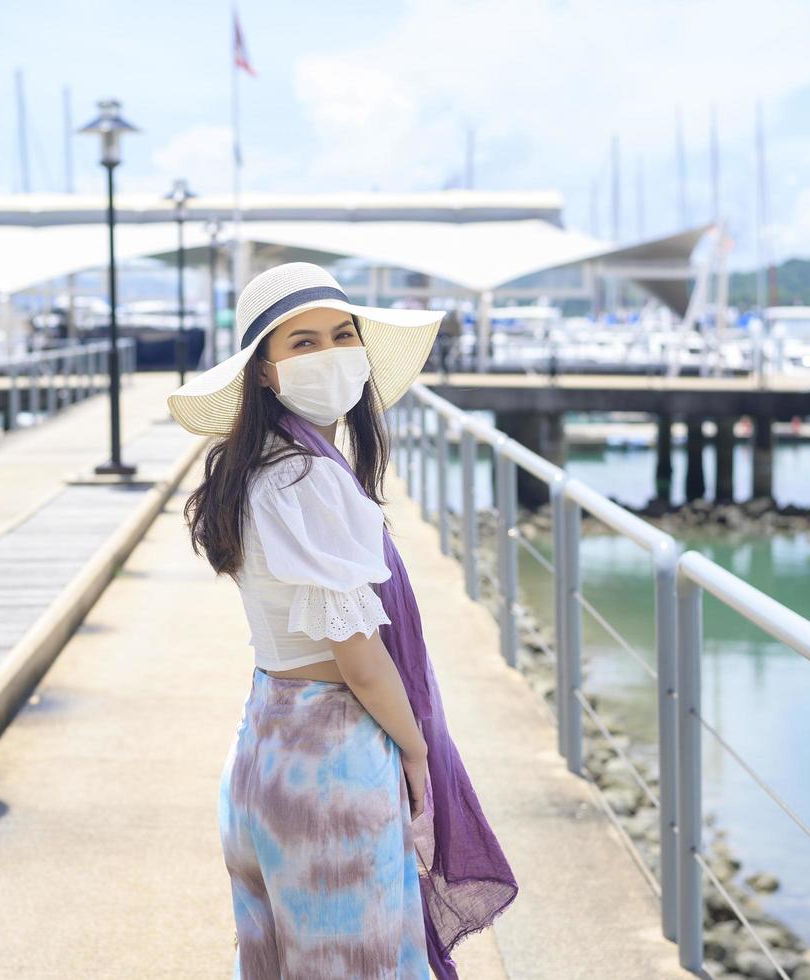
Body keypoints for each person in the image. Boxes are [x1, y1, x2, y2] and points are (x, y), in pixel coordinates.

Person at [167, 262, 517, 979]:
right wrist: (417, 753)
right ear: (262, 372)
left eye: (340, 334)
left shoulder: (258, 466)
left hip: (265, 741)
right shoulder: (309, 477)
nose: (328, 354)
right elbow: (356, 657)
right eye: (301, 343)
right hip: (329, 761)